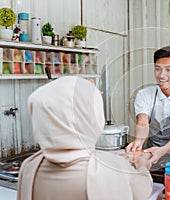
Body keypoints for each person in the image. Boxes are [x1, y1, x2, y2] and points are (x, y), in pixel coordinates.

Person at [17, 76, 153, 200]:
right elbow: (143, 191)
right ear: (92, 117)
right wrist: (142, 165)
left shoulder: (29, 167)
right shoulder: (112, 167)